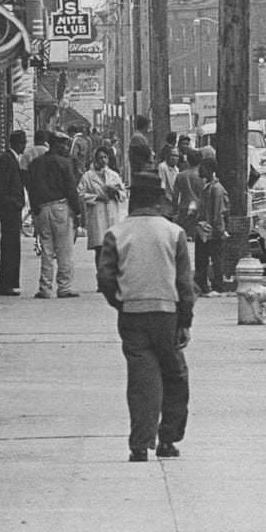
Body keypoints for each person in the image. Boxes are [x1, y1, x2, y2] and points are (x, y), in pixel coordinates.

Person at [97, 170, 195, 462]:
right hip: (167, 314)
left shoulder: (116, 233)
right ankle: (167, 439)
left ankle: (140, 445)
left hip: (132, 314)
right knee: (175, 376)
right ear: (157, 201)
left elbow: (105, 276)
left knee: (142, 380)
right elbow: (184, 283)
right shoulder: (173, 233)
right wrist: (185, 320)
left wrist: (120, 301)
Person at [28, 132, 83, 299]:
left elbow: (31, 187)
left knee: (46, 248)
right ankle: (64, 287)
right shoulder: (64, 164)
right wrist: (78, 211)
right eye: (63, 144)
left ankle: (45, 287)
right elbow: (71, 189)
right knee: (64, 248)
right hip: (61, 207)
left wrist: (34, 208)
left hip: (42, 208)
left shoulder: (36, 164)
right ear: (55, 145)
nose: (66, 147)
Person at [78, 145, 127, 268]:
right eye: (100, 158)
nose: (103, 160)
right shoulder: (88, 176)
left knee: (112, 249)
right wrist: (96, 197)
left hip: (111, 212)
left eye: (105, 157)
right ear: (95, 159)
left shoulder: (114, 175)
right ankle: (100, 277)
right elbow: (80, 194)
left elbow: (123, 194)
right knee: (100, 249)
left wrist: (115, 192)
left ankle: (111, 280)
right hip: (97, 214)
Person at [0, 131, 28, 297]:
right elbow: (1, 188)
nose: (25, 146)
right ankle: (6, 284)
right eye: (23, 142)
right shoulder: (7, 160)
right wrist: (13, 203)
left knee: (13, 247)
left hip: (12, 211)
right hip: (9, 212)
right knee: (9, 247)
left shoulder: (12, 159)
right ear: (16, 143)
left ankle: (11, 283)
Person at [195, 156, 230, 297]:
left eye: (202, 167)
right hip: (206, 229)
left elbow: (217, 213)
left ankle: (218, 285)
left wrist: (216, 230)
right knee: (203, 259)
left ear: (210, 170)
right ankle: (204, 285)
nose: (200, 170)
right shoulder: (208, 187)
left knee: (215, 260)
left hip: (212, 231)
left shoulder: (216, 189)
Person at [172, 149, 205, 286]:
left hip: (184, 208)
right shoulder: (202, 176)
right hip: (198, 210)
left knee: (183, 241)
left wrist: (174, 210)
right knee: (198, 242)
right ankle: (196, 272)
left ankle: (182, 271)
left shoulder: (180, 175)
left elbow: (175, 195)